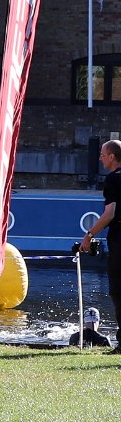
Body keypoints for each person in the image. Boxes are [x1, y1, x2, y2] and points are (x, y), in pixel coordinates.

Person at [75, 139, 121, 354]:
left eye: (103, 154)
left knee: (117, 291)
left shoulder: (113, 180)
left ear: (112, 156)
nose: (100, 158)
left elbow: (110, 214)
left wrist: (89, 235)